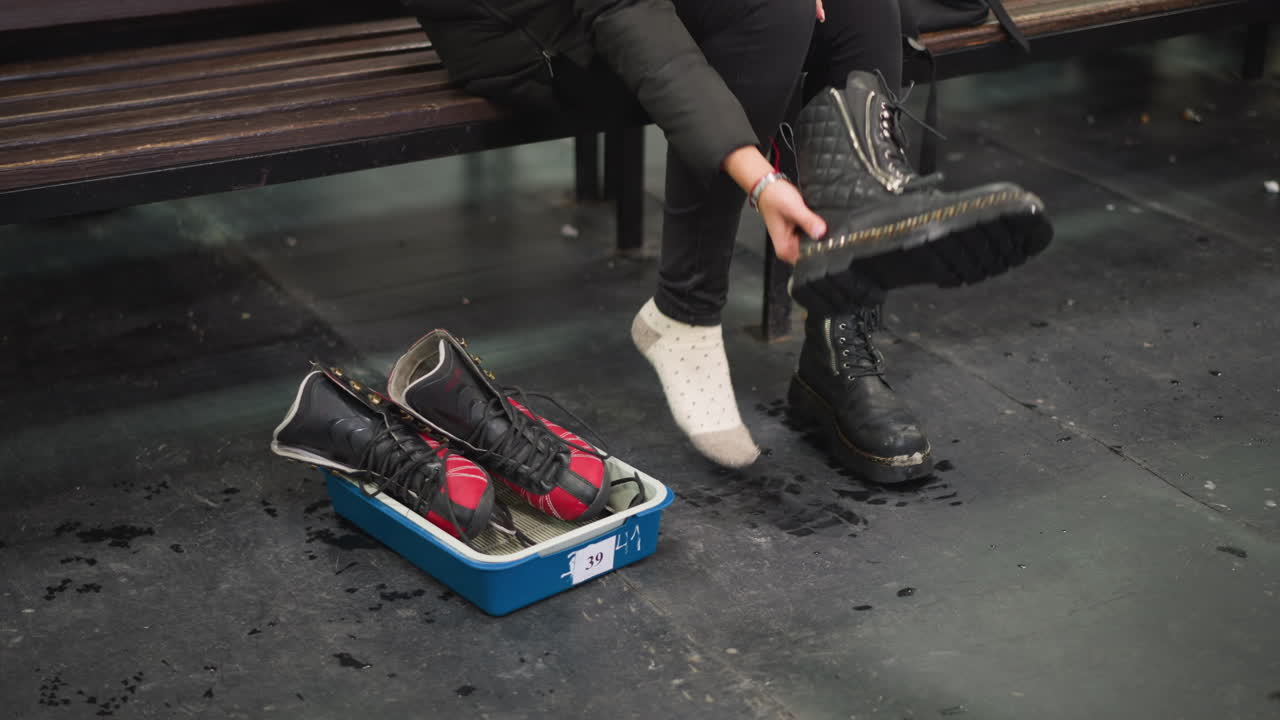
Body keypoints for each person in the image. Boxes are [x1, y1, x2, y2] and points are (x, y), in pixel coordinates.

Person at [401, 0, 1050, 483]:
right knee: (773, 7)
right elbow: (627, 12)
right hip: (531, 30)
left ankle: (848, 287)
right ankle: (684, 308)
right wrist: (760, 181)